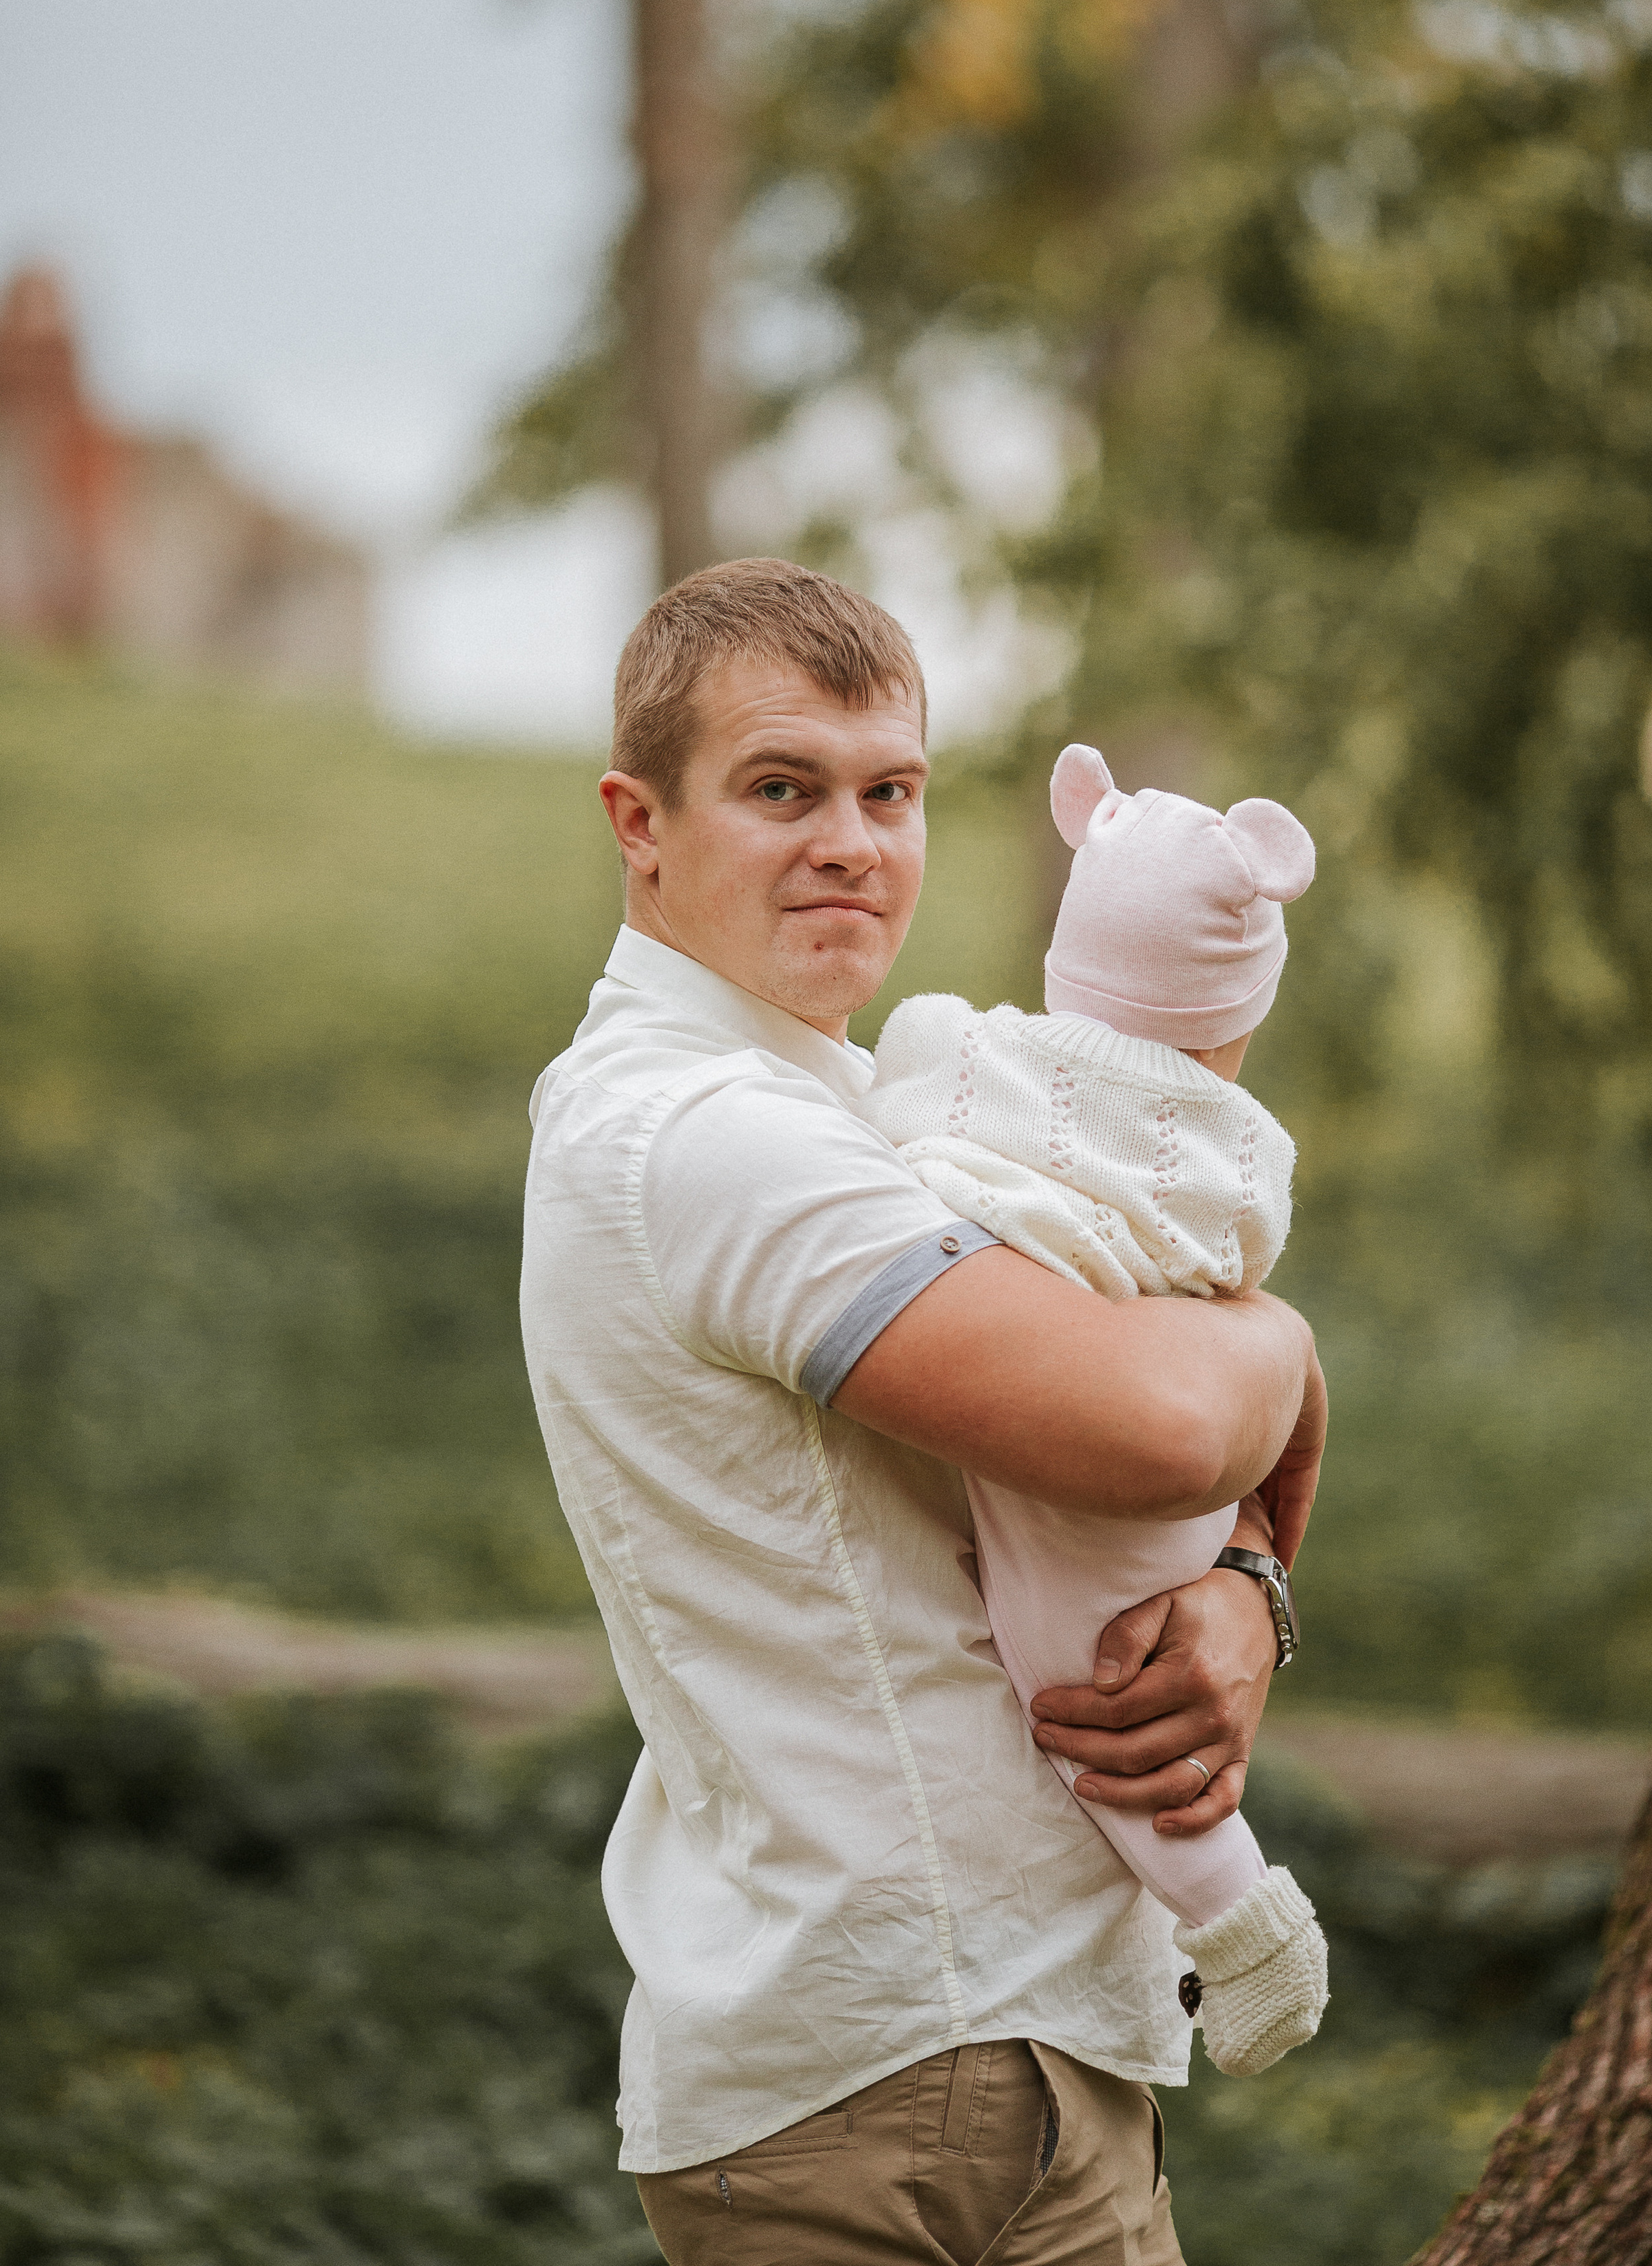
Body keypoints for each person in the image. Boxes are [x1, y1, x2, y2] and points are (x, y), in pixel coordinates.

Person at [519, 559, 1326, 2265]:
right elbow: (1160, 1434)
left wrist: (1244, 1589)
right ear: (637, 822)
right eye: (779, 789)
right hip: (874, 2080)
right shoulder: (702, 1137)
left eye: (888, 791)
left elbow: (1092, 1482)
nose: (850, 842)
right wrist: (1294, 1353)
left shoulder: (836, 1106)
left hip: (1022, 2049)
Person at [862, 741, 1329, 2082]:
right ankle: (1238, 1918)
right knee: (1112, 1678)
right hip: (1132, 1466)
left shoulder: (953, 1047)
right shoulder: (1235, 1148)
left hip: (1065, 1429)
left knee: (1104, 1682)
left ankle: (1238, 1923)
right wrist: (1268, 1347)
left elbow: (893, 1094)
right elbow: (1237, 1277)